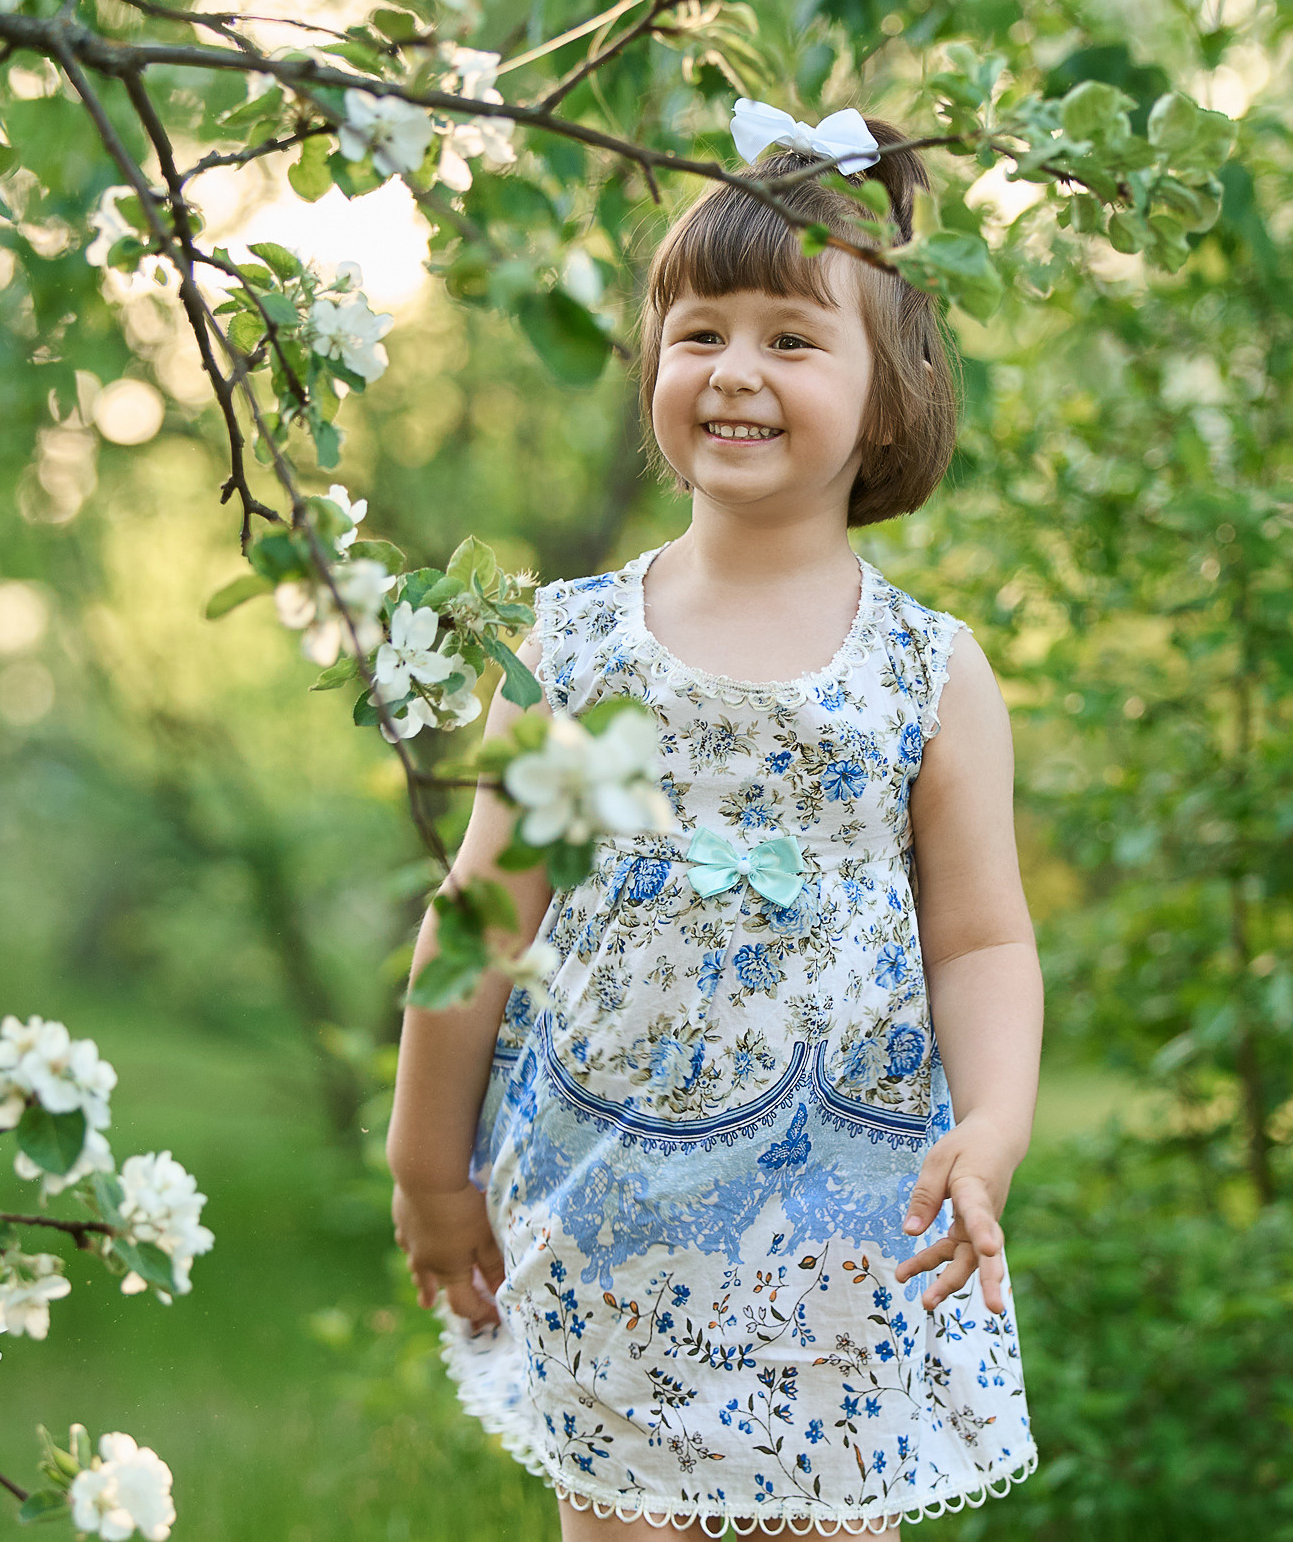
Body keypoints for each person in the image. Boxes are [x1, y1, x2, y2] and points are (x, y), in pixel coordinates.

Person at [385, 99, 1044, 1536]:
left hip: (850, 1229)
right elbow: (486, 913)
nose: (735, 370)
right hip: (609, 1213)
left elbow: (983, 941)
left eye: (791, 340)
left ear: (890, 395)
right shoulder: (569, 649)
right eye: (701, 332)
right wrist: (429, 1165)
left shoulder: (929, 672)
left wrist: (989, 1130)